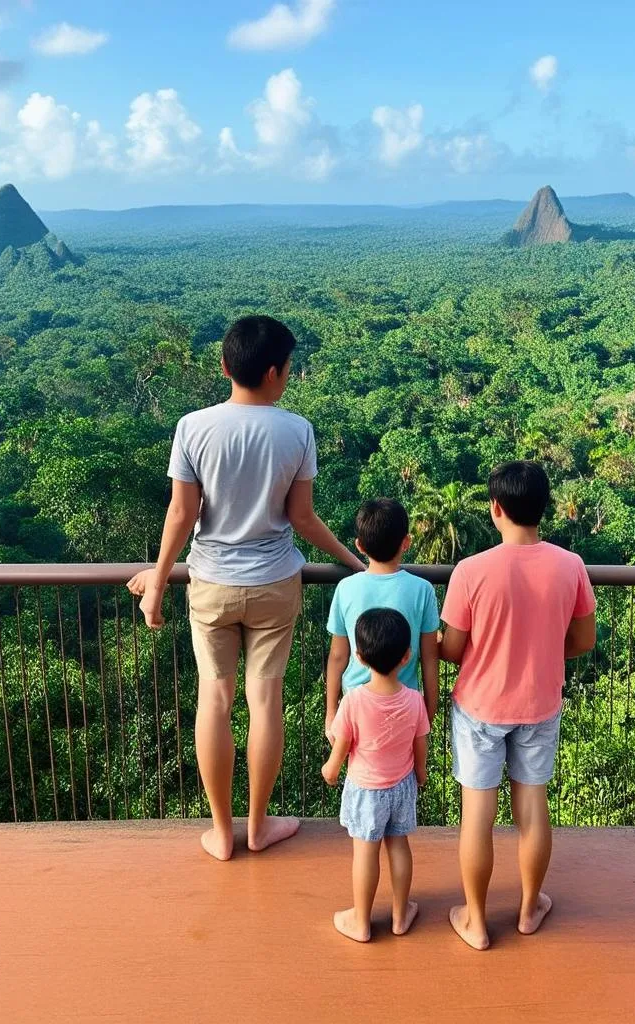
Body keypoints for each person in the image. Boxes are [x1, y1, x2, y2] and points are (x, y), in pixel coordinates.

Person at [127, 315, 364, 862]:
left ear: (224, 366)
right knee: (264, 701)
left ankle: (220, 831)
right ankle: (258, 827)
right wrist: (353, 562)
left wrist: (158, 584)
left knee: (214, 697)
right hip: (274, 584)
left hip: (209, 584)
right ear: (277, 372)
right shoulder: (296, 430)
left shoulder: (192, 427)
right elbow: (302, 518)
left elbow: (182, 514)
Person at [439, 461, 596, 951]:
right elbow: (583, 640)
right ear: (544, 509)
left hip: (480, 707)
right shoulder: (570, 566)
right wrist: (544, 647)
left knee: (477, 815)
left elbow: (452, 648)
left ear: (496, 509)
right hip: (540, 703)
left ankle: (477, 921)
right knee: (532, 808)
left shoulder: (471, 571)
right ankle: (529, 909)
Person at [322, 608, 430, 943]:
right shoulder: (415, 700)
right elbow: (420, 744)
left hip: (366, 790)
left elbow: (342, 746)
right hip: (401, 786)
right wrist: (421, 773)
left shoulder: (354, 701)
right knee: (399, 847)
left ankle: (362, 922)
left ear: (359, 656)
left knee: (365, 853)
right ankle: (400, 916)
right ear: (407, 656)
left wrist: (331, 768)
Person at [325, 498, 439, 739]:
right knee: (402, 769)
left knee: (362, 769)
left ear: (359, 546)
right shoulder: (423, 589)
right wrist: (429, 710)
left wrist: (331, 711)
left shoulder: (346, 588)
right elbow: (430, 657)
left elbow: (337, 656)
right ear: (406, 542)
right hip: (405, 702)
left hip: (356, 703)